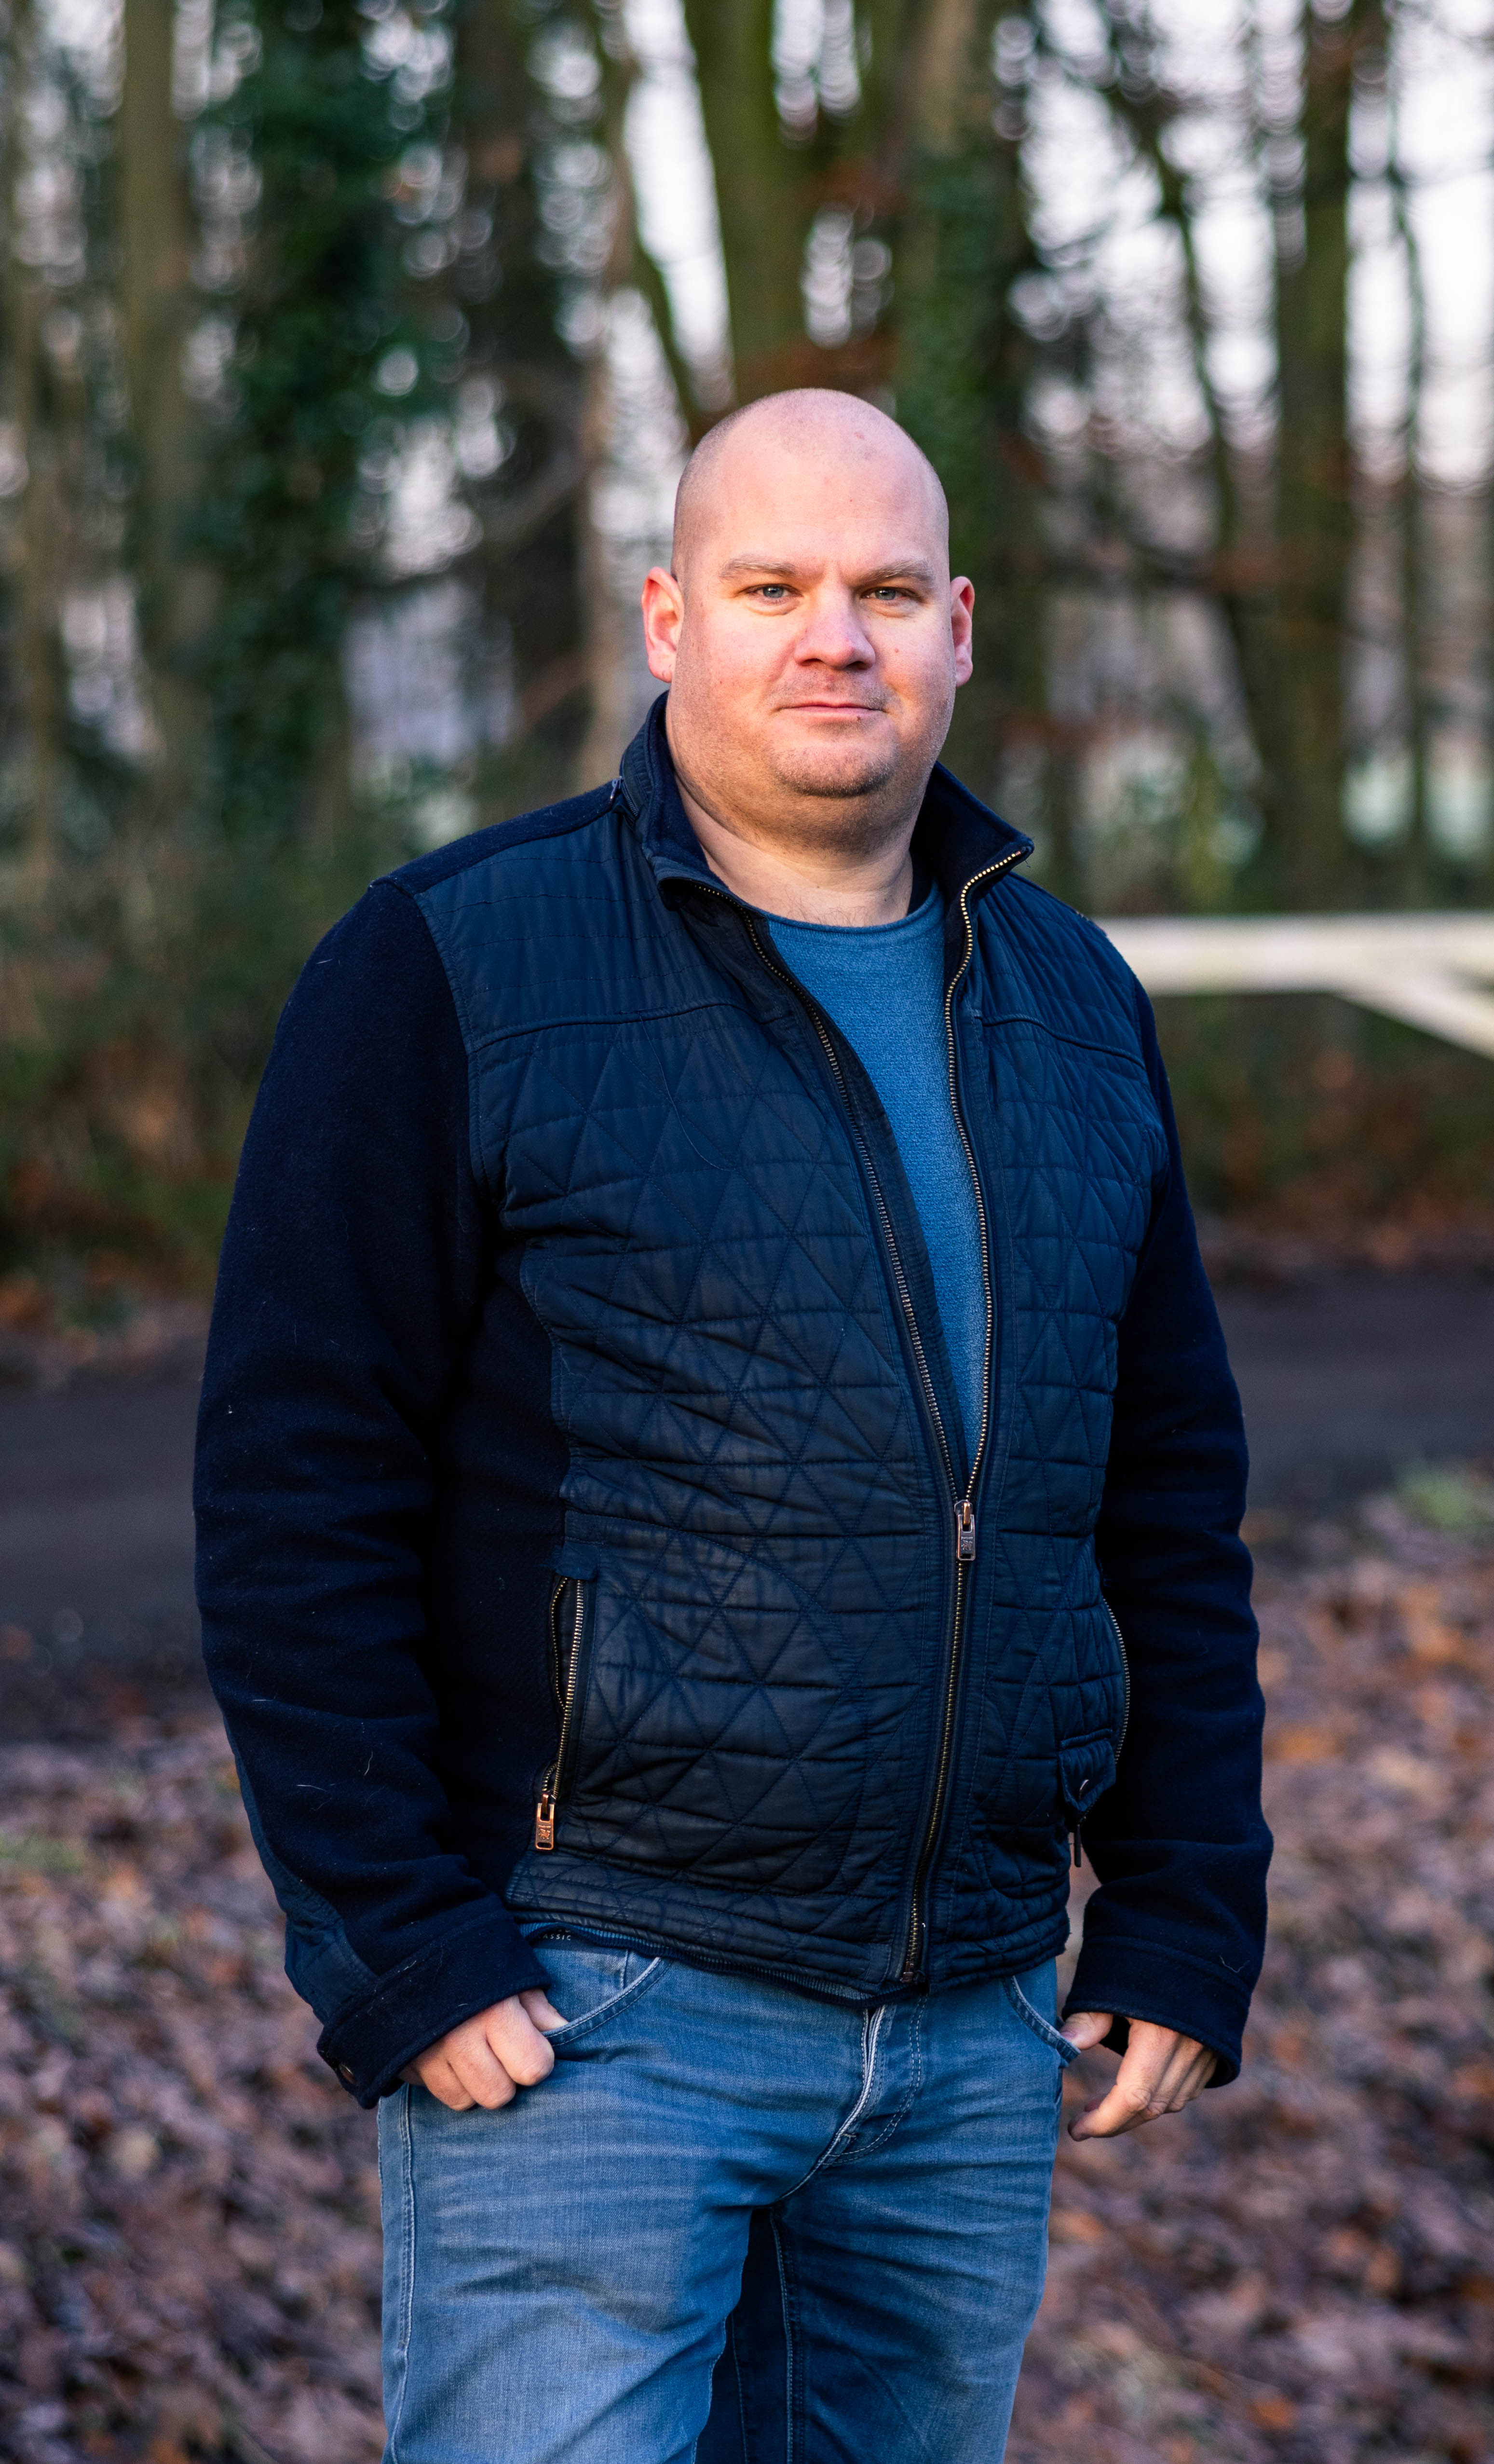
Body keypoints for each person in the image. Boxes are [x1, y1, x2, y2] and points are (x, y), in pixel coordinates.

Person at [194, 389, 1269, 2463]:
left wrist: (1184, 1895)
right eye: (772, 585)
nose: (831, 636)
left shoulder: (1067, 1001)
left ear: (960, 627)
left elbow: (1162, 1499)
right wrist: (397, 1942)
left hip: (968, 2027)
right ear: (669, 617)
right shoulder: (447, 964)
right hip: (593, 2004)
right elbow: (293, 1475)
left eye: (881, 590)